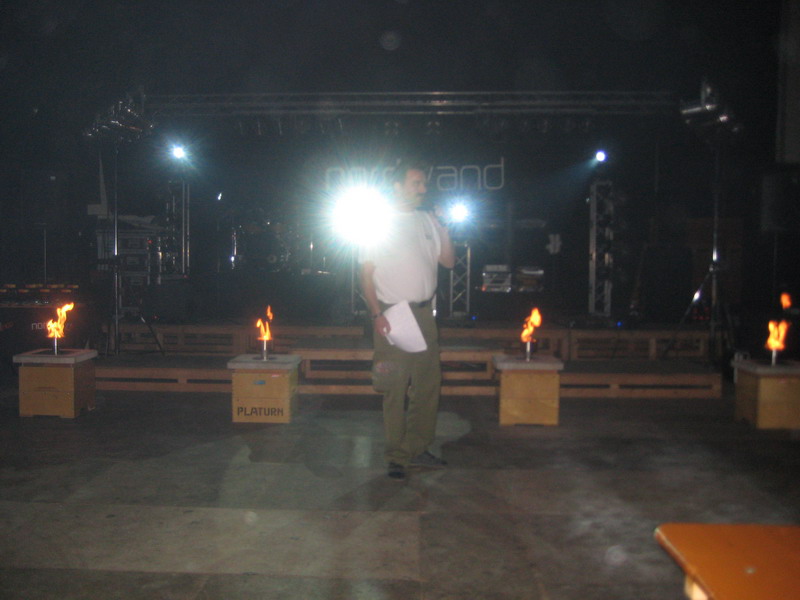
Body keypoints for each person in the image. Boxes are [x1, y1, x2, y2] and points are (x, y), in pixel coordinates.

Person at [359, 159, 455, 480]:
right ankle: (397, 456)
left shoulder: (427, 220)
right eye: (416, 183)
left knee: (427, 385)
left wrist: (444, 227)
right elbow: (366, 275)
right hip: (393, 313)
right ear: (397, 186)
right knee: (395, 386)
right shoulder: (379, 224)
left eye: (424, 183)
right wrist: (376, 314)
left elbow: (448, 261)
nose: (423, 189)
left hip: (425, 314)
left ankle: (418, 447)